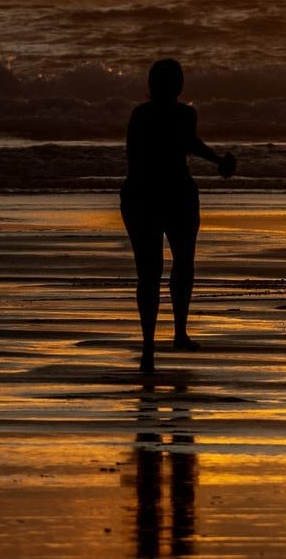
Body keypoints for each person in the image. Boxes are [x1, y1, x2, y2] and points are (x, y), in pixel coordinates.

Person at [122, 58, 235, 374]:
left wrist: (215, 160)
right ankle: (178, 333)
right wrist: (217, 161)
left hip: (141, 194)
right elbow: (190, 144)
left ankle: (149, 346)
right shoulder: (184, 113)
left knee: (150, 271)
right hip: (175, 193)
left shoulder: (140, 115)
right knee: (182, 263)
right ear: (178, 85)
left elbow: (136, 158)